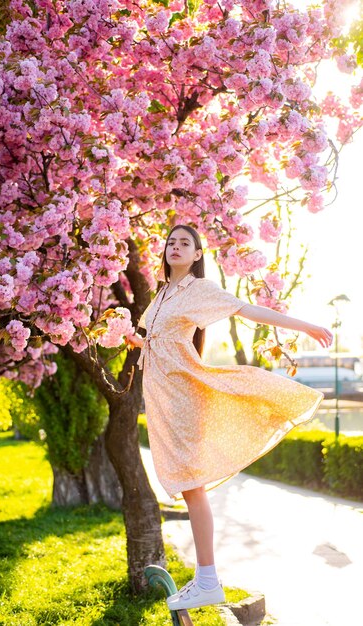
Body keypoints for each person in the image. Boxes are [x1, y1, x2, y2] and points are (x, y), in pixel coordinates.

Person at [127, 224, 333, 611]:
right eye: (171, 242)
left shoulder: (199, 290)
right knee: (189, 487)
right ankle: (206, 580)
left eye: (184, 243)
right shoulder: (162, 295)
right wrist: (133, 338)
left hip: (184, 397)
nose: (175, 247)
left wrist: (304, 325)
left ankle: (207, 580)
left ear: (197, 254)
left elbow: (247, 310)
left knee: (192, 485)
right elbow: (158, 340)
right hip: (163, 400)